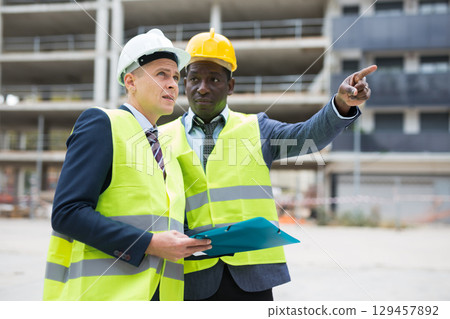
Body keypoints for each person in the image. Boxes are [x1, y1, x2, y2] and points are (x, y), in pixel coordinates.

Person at [160, 29, 377, 301]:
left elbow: (307, 135)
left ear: (230, 86)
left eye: (213, 79)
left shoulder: (257, 128)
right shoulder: (161, 137)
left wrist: (341, 104)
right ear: (184, 83)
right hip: (191, 273)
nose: (202, 87)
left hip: (251, 275)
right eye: (194, 79)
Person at [43, 29, 211, 301]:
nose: (172, 84)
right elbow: (67, 213)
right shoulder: (102, 124)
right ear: (130, 82)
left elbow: (161, 221)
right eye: (161, 74)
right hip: (104, 297)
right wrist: (151, 244)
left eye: (176, 77)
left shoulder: (166, 150)